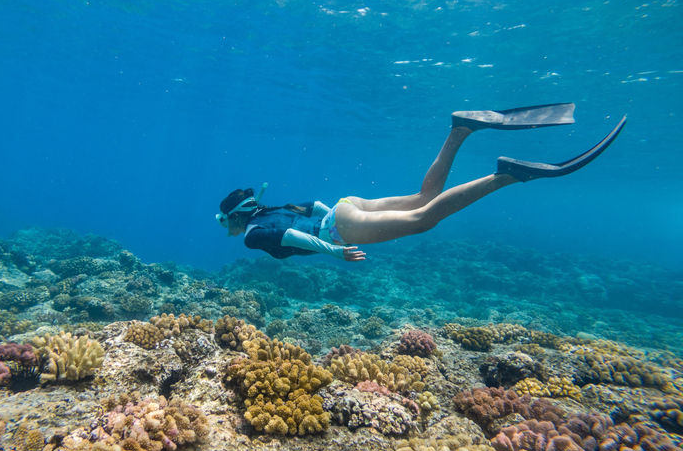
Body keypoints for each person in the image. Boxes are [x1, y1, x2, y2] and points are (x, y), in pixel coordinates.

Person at [216, 103, 626, 262]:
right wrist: (333, 221)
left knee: (425, 218)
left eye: (223, 221)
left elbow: (291, 236)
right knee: (423, 195)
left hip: (342, 227)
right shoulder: (266, 211)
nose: (226, 229)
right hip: (344, 206)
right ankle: (461, 129)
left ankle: (506, 175)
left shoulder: (253, 233)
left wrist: (333, 250)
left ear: (235, 218)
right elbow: (311, 206)